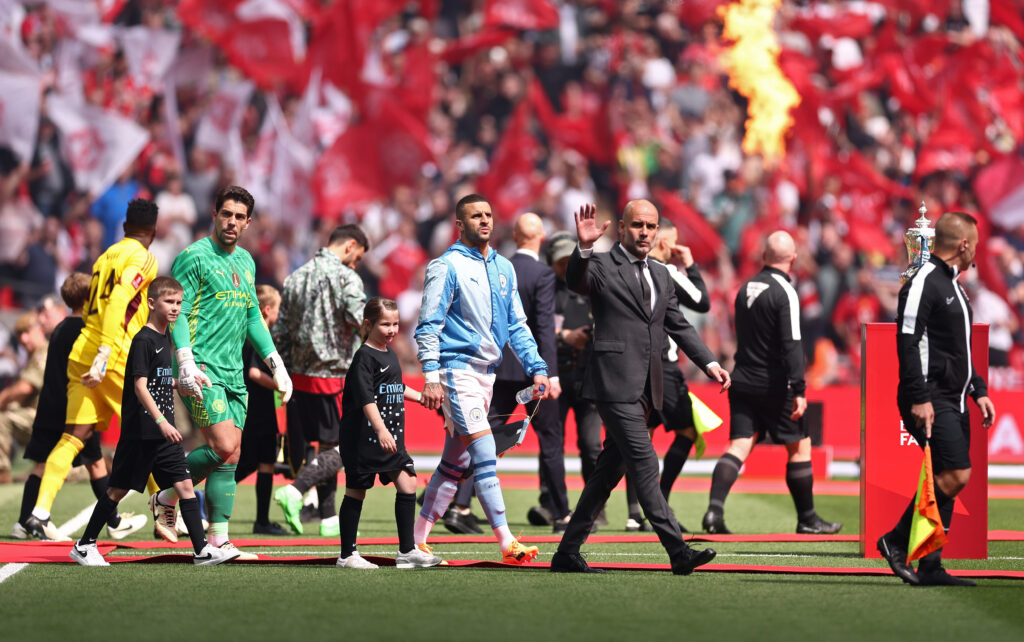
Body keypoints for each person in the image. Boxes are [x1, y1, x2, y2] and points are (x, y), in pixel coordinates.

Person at [550, 200, 729, 575]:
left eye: (650, 226)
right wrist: (583, 248)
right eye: (637, 225)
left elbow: (678, 324)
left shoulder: (662, 273)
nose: (644, 232)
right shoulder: (602, 264)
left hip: (649, 388)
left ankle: (567, 553)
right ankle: (678, 551)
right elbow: (577, 281)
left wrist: (710, 363)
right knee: (646, 464)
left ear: (657, 231)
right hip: (613, 385)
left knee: (606, 475)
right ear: (621, 227)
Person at [148, 185, 293, 560]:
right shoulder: (193, 257)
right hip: (200, 369)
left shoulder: (246, 261)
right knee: (224, 445)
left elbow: (253, 317)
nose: (232, 221)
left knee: (230, 455)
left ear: (248, 223)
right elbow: (177, 312)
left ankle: (217, 540)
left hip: (234, 372)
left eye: (239, 217)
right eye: (226, 214)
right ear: (214, 214)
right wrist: (184, 360)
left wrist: (276, 363)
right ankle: (167, 495)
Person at [414, 193, 550, 564]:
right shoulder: (446, 266)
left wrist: (538, 367)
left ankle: (415, 541)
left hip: (486, 376)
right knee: (485, 453)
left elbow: (517, 325)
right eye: (476, 216)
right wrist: (431, 376)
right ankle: (507, 543)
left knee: (454, 463)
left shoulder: (505, 267)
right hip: (457, 371)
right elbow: (428, 326)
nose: (485, 220)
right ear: (460, 224)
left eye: (488, 214)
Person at [70, 277, 238, 567]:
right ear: (151, 303)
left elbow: (158, 381)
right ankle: (84, 546)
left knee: (185, 487)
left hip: (163, 434)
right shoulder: (144, 340)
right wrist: (161, 421)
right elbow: (140, 386)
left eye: (179, 302)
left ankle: (201, 551)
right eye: (169, 302)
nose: (175, 308)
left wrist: (182, 384)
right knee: (117, 490)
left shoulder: (165, 337)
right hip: (142, 433)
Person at [24, 198, 160, 541]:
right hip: (113, 356)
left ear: (125, 227)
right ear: (153, 232)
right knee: (150, 430)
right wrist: (105, 351)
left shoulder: (104, 257)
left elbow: (93, 307)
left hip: (83, 353)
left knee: (72, 437)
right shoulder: (144, 258)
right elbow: (118, 301)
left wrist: (96, 350)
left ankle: (39, 513)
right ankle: (169, 510)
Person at [877, 211, 996, 587]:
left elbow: (958, 349)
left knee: (946, 476)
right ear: (963, 245)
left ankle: (931, 564)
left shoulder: (952, 285)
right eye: (974, 243)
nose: (976, 250)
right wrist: (919, 396)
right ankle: (896, 541)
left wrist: (978, 390)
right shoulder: (923, 281)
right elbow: (907, 340)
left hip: (955, 397)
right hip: (931, 396)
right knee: (956, 474)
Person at [702, 231, 841, 536]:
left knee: (739, 445)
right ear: (793, 259)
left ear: (764, 256)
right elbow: (792, 344)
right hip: (774, 384)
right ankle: (808, 519)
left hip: (742, 378)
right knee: (800, 446)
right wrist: (799, 389)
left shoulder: (745, 288)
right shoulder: (785, 291)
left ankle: (714, 511)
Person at [13, 273, 145, 541]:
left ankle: (25, 521)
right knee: (92, 464)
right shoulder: (86, 330)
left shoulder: (60, 328)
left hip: (50, 406)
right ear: (90, 297)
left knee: (75, 464)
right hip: (75, 408)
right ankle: (112, 521)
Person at [272, 224, 368, 537]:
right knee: (345, 446)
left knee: (326, 447)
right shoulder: (346, 278)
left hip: (299, 377)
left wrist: (284, 374)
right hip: (335, 376)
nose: (356, 264)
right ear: (350, 245)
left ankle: (328, 517)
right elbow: (363, 323)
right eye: (358, 257)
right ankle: (295, 490)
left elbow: (280, 332)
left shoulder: (295, 277)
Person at [337, 297, 441, 569]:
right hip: (363, 438)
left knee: (408, 482)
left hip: (390, 439)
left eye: (395, 324)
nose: (392, 330)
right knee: (356, 491)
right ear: (368, 324)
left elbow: (396, 386)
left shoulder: (389, 353)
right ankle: (347, 555)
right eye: (385, 324)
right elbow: (366, 399)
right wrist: (381, 429)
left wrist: (422, 398)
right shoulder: (364, 357)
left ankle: (407, 551)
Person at [480, 212, 568, 533]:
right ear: (542, 237)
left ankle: (458, 503)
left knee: (484, 436)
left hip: (499, 367)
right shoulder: (542, 273)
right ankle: (560, 512)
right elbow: (543, 327)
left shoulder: (496, 267)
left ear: (515, 237)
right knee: (551, 439)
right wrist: (550, 373)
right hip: (534, 372)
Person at [646, 217, 711, 528]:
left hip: (637, 365)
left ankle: (636, 512)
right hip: (664, 367)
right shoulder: (666, 270)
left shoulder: (635, 269)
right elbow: (702, 301)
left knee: (641, 438)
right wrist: (691, 264)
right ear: (664, 242)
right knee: (687, 431)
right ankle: (660, 503)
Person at [548, 232, 605, 528]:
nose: (563, 266)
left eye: (566, 260)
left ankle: (595, 507)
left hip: (588, 377)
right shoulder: (545, 289)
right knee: (552, 444)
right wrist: (564, 336)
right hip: (554, 376)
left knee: (592, 445)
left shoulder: (593, 285)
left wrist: (593, 335)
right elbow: (532, 327)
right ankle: (552, 504)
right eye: (558, 261)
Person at [236, 285, 289, 535]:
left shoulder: (250, 332)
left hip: (261, 407)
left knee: (265, 461)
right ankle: (202, 504)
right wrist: (280, 384)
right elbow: (254, 372)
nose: (278, 314)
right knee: (250, 461)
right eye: (277, 309)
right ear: (267, 310)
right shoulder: (258, 335)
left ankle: (263, 521)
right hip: (256, 408)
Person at [0, 312, 48, 483]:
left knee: (3, 419)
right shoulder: (33, 355)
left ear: (39, 330)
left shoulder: (44, 353)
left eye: (27, 332)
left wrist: (2, 399)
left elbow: (25, 388)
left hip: (48, 422)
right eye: (20, 334)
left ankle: (1, 473)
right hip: (41, 420)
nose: (23, 339)